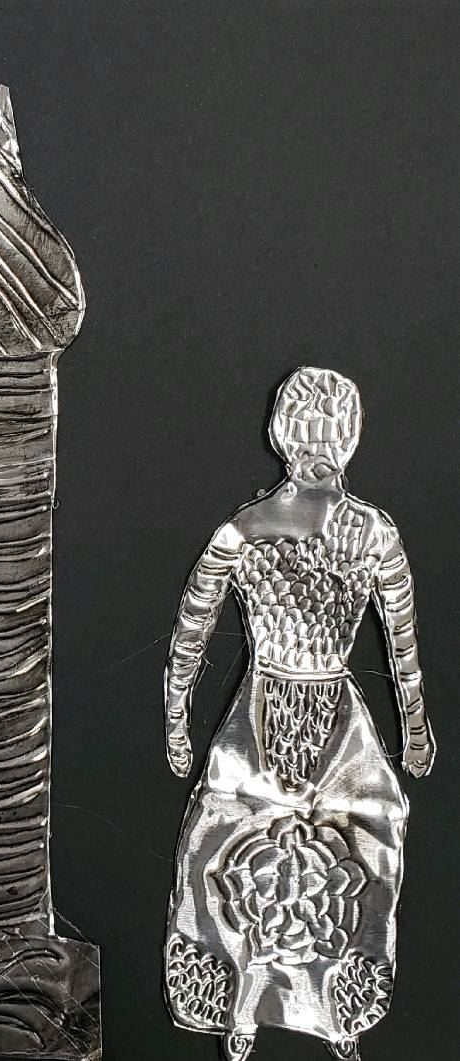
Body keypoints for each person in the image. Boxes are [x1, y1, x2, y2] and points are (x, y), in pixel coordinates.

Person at [161, 367, 434, 1061]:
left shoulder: (245, 529)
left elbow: (191, 633)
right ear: (350, 436)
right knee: (360, 832)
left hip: (267, 711)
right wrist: (414, 728)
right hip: (330, 714)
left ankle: (283, 1009)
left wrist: (177, 719)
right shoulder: (371, 533)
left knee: (233, 836)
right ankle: (308, 1009)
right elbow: (402, 650)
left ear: (283, 433)